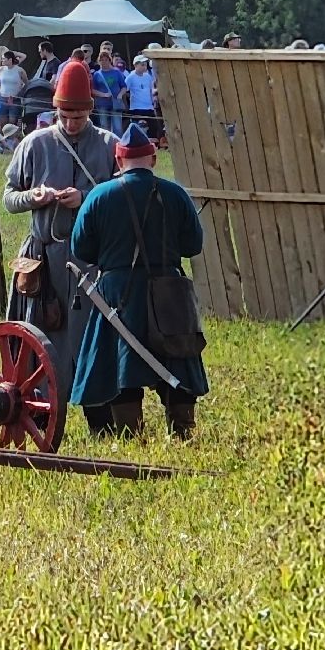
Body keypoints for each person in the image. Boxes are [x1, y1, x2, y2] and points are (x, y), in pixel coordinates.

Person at [1, 60, 119, 427]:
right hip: (43, 261)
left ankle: (100, 417)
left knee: (91, 338)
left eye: (78, 116)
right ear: (55, 109)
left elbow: (119, 200)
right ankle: (38, 415)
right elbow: (8, 198)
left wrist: (84, 198)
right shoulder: (34, 144)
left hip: (90, 263)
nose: (71, 123)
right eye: (65, 115)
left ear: (90, 110)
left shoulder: (108, 145)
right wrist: (34, 197)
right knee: (41, 335)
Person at [71, 124, 207, 438]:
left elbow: (82, 249)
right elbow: (192, 246)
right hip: (169, 290)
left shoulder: (99, 196)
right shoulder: (175, 193)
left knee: (121, 363)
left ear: (119, 161)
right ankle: (182, 430)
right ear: (153, 159)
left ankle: (129, 434)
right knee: (177, 358)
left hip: (118, 293)